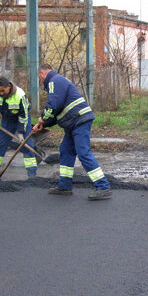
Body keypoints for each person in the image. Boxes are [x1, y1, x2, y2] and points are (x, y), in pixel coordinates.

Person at [32, 64, 112, 200]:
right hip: (73, 123)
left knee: (83, 152)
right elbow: (58, 111)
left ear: (42, 74)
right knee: (66, 150)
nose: (40, 81)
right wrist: (44, 123)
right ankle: (65, 186)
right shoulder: (59, 82)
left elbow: (52, 106)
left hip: (79, 120)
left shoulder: (53, 82)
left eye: (39, 78)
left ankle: (103, 186)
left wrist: (43, 117)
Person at [0, 77, 37, 180]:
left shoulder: (20, 95)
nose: (1, 93)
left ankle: (32, 176)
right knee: (0, 144)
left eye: (3, 90)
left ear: (9, 86)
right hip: (7, 120)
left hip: (22, 119)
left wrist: (21, 133)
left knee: (26, 146)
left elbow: (24, 116)